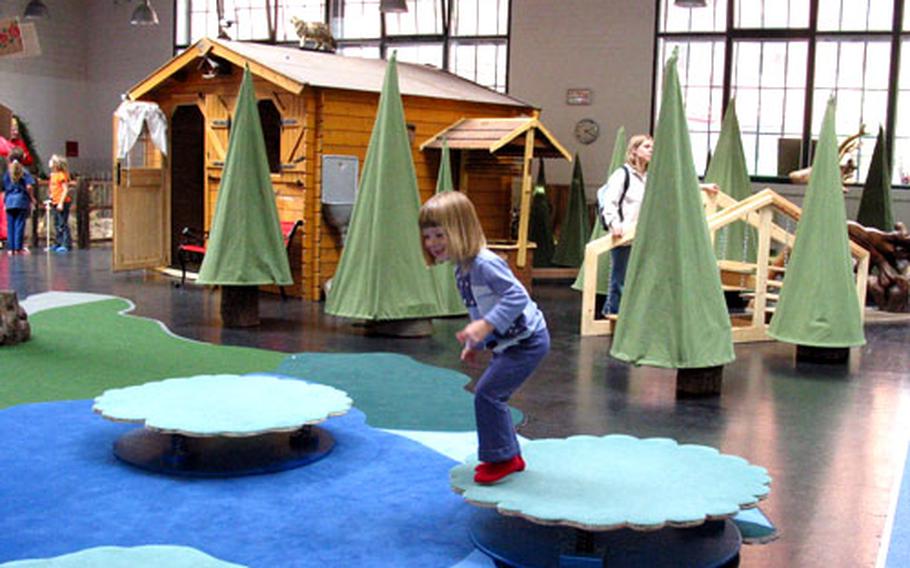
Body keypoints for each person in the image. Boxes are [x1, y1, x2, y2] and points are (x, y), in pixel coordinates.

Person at [419, 191, 549, 485]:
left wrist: (486, 326)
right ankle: (509, 456)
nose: (433, 243)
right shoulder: (462, 268)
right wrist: (474, 341)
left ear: (461, 230)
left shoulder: (484, 263)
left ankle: (501, 458)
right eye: (428, 237)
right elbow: (479, 308)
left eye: (440, 234)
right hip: (510, 341)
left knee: (488, 394)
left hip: (528, 341)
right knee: (492, 394)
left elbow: (517, 296)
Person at [597, 134, 653, 316]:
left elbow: (675, 187)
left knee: (641, 279)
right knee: (619, 279)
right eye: (646, 146)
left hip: (644, 237)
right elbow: (610, 201)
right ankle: (613, 313)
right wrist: (614, 224)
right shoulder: (622, 174)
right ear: (634, 150)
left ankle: (634, 316)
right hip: (625, 236)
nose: (651, 150)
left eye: (652, 147)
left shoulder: (651, 177)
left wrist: (704, 186)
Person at [2, 159, 36, 256]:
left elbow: (5, 189)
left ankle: (10, 249)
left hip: (9, 201)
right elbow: (29, 186)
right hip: (21, 201)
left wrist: (5, 203)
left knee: (10, 225)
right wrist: (32, 198)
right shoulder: (24, 173)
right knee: (19, 225)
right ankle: (18, 248)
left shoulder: (7, 174)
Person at [48, 154, 73, 252]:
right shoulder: (53, 175)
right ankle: (58, 242)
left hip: (61, 202)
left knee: (63, 223)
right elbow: (54, 188)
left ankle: (66, 244)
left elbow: (65, 190)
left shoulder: (61, 175)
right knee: (56, 223)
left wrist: (61, 203)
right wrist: (51, 197)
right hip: (55, 201)